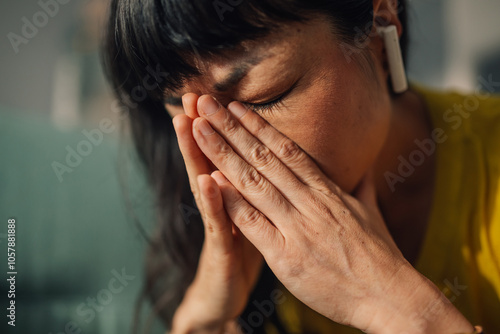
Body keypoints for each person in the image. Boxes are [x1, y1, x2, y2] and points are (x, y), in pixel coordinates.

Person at [102, 0, 499, 333]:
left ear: (379, 25)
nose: (232, 157)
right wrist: (204, 314)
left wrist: (395, 303)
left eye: (263, 98)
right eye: (180, 109)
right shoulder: (236, 262)